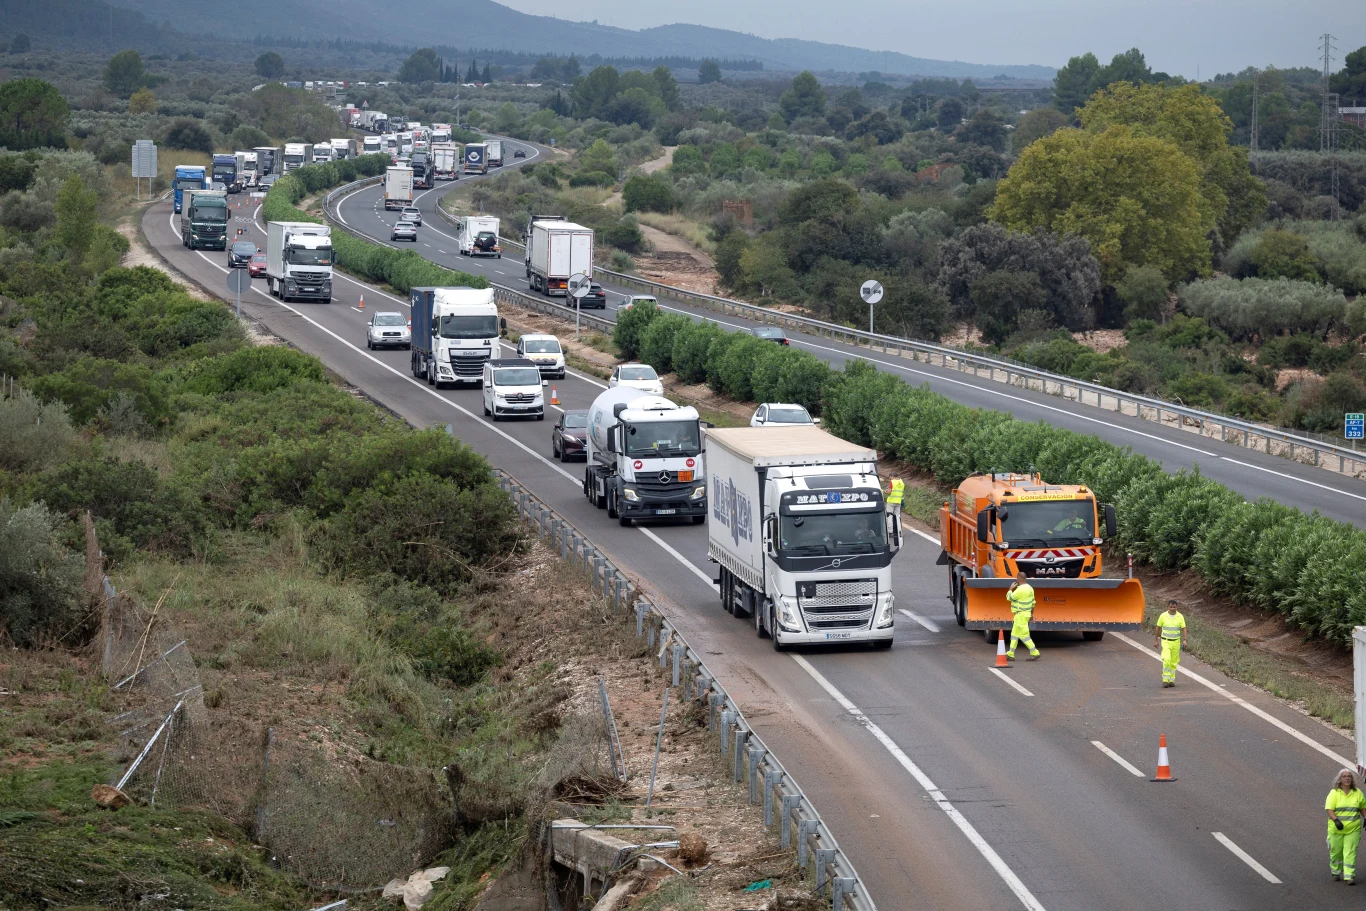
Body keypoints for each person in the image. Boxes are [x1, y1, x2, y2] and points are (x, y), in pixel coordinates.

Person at [1327, 768, 1366, 883]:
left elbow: (1362, 807)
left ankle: (1349, 876)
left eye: (1349, 776)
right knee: (1336, 852)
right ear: (1340, 779)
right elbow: (1329, 809)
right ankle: (1336, 871)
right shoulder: (1334, 793)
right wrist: (1336, 820)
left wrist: (1365, 817)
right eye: (1344, 776)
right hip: (1336, 829)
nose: (1347, 778)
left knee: (1350, 852)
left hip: (1353, 829)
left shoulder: (1357, 793)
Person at [1005, 571, 1039, 661]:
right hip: (1025, 614)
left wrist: (1010, 589)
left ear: (1018, 578)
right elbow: (1033, 603)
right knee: (1014, 634)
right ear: (1025, 578)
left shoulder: (1020, 590)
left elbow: (1009, 598)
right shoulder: (1030, 588)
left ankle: (1034, 652)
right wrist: (1031, 614)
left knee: (1024, 635)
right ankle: (1010, 654)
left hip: (1020, 615)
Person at [1154, 599, 1187, 688]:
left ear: (1176, 607)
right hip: (1166, 641)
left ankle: (1171, 680)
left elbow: (1184, 628)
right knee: (1167, 659)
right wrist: (1156, 640)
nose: (1172, 608)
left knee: (1174, 661)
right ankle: (1165, 680)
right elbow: (1158, 628)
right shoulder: (1163, 616)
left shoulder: (1180, 617)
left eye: (1174, 607)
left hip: (1176, 642)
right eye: (1171, 607)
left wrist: (1185, 640)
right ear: (1168, 607)